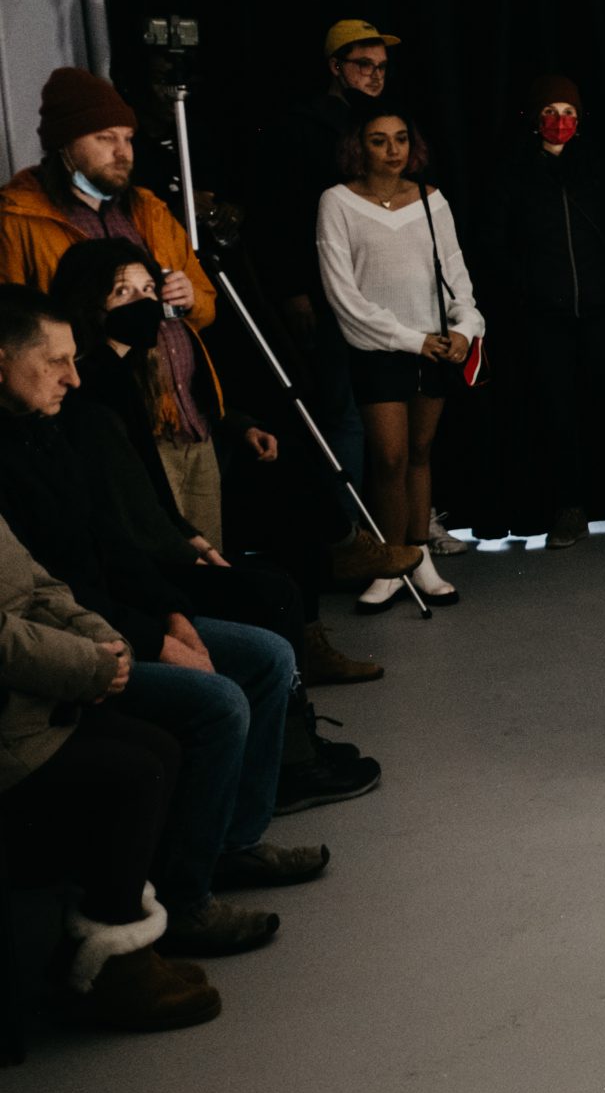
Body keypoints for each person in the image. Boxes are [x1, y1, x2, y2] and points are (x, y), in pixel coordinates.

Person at [0, 286, 304, 957]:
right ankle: (188, 898)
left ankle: (235, 843)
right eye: (53, 363)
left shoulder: (53, 427)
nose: (72, 377)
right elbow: (44, 602)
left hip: (113, 619)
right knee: (219, 702)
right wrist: (147, 641)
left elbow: (108, 541)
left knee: (268, 656)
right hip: (72, 654)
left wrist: (172, 613)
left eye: (74, 360)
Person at [48, 241, 383, 811]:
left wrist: (194, 541)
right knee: (269, 593)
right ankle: (291, 764)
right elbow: (121, 507)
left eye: (149, 291)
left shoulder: (129, 369)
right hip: (128, 569)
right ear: (88, 306)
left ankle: (293, 745)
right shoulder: (94, 385)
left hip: (150, 548)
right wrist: (186, 553)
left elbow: (145, 485)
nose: (141, 303)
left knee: (272, 578)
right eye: (121, 293)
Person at [0, 68, 236, 547]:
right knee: (157, 557)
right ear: (64, 143)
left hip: (188, 418)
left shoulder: (147, 208)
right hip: (110, 428)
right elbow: (12, 327)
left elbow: (207, 306)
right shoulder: (19, 217)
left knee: (210, 560)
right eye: (104, 137)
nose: (122, 151)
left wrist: (190, 300)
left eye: (127, 137)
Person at [0, 511, 214, 1030]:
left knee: (158, 750)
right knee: (134, 774)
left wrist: (107, 644)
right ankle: (113, 971)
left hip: (32, 704)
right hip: (12, 721)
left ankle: (103, 948)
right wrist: (89, 665)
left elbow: (40, 584)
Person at [491, 73, 605, 549]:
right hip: (545, 315)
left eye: (569, 113)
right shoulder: (515, 169)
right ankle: (571, 509)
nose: (560, 122)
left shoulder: (598, 165)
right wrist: (528, 292)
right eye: (551, 112)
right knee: (557, 411)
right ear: (534, 117)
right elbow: (504, 243)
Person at [315, 108, 479, 612]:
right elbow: (344, 298)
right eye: (380, 141)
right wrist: (412, 339)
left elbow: (456, 275)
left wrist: (465, 328)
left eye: (402, 139)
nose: (394, 150)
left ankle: (421, 557)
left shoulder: (431, 200)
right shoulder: (337, 203)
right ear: (358, 148)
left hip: (434, 347)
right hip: (379, 350)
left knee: (421, 453)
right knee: (388, 458)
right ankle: (391, 561)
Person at [256, 20, 399, 500]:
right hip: (328, 291)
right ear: (336, 67)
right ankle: (350, 532)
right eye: (364, 65)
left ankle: (401, 526)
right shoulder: (302, 127)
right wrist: (293, 290)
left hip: (383, 288)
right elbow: (283, 216)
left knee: (391, 409)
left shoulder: (384, 128)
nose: (375, 76)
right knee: (345, 413)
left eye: (381, 67)